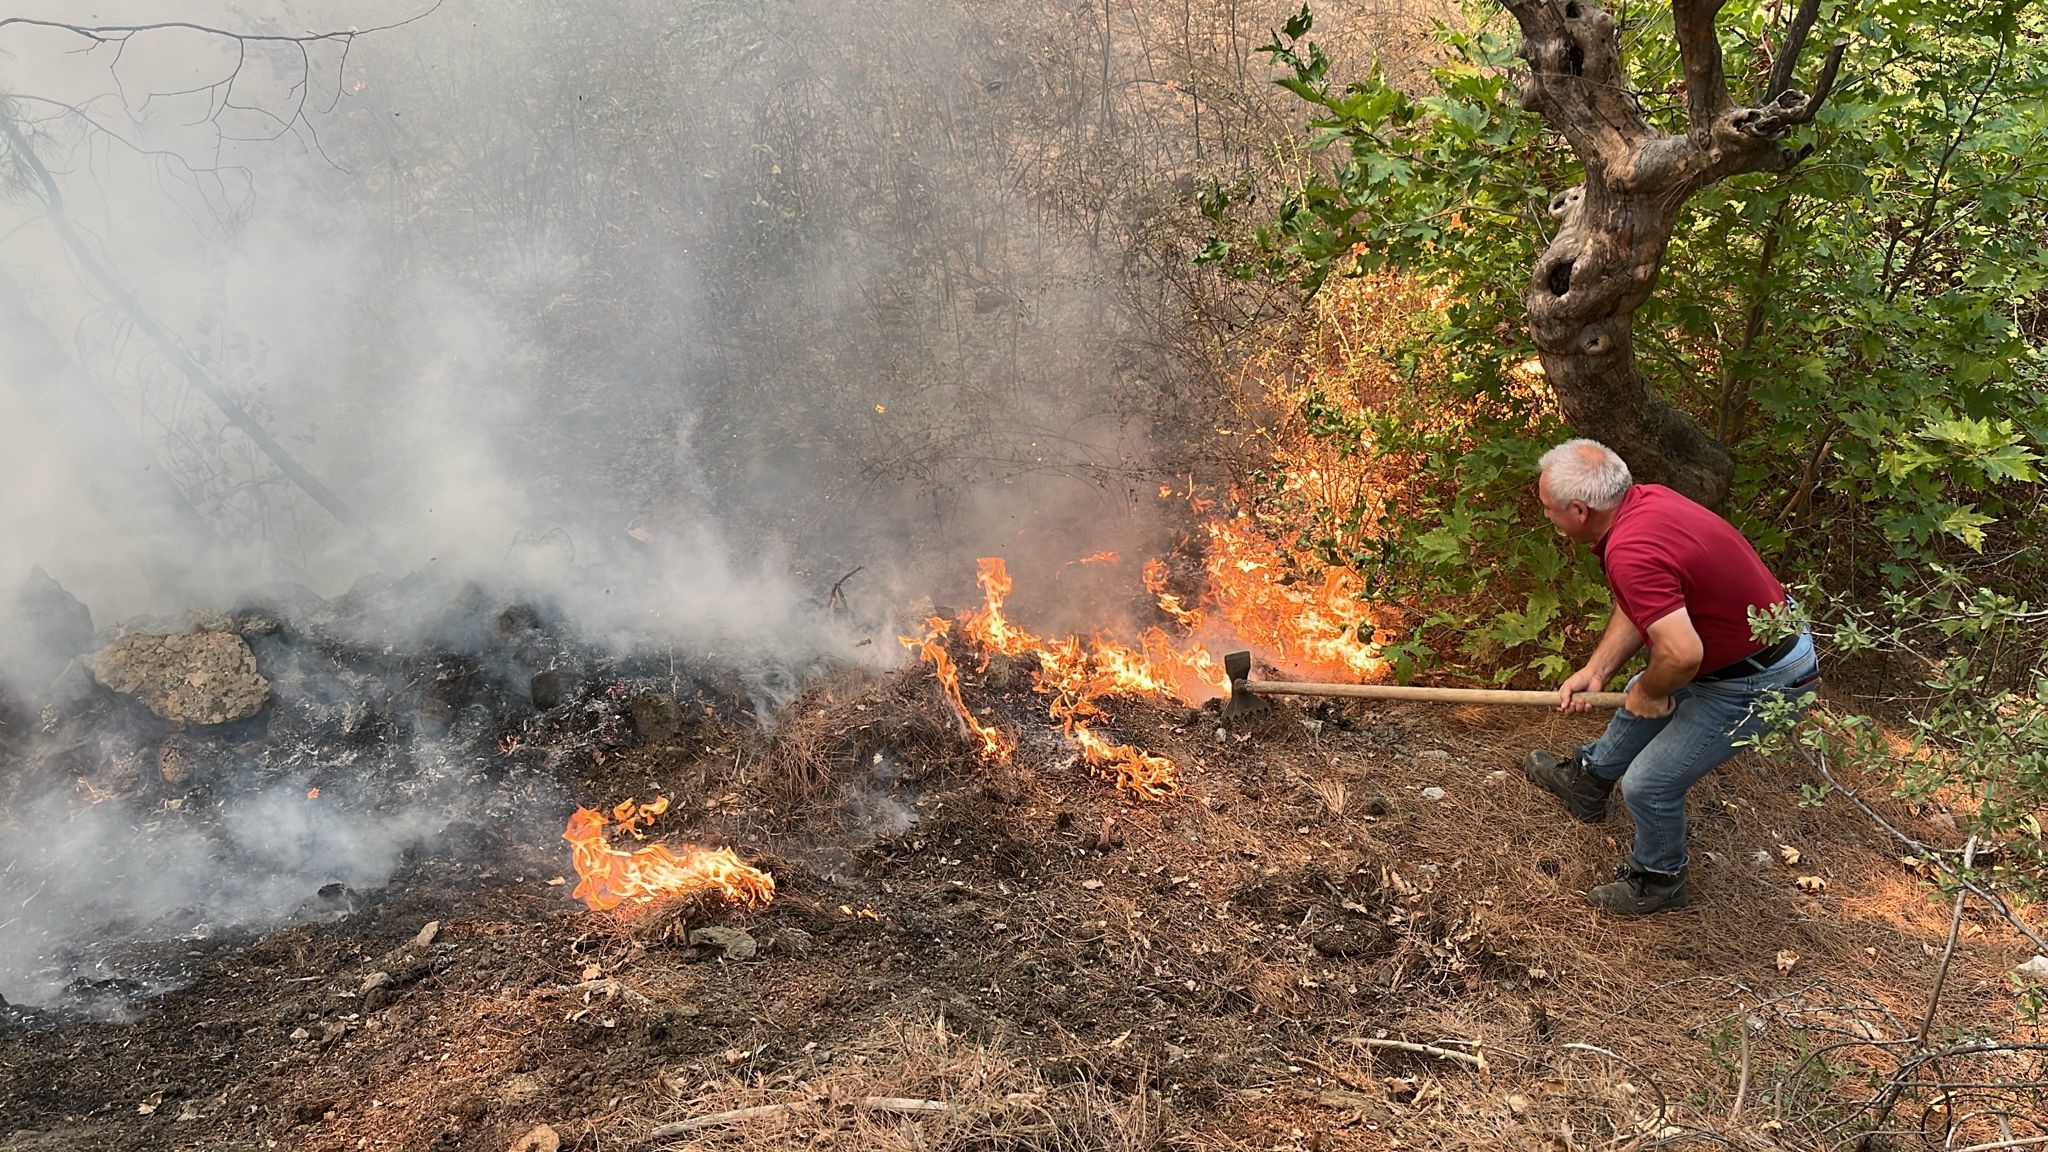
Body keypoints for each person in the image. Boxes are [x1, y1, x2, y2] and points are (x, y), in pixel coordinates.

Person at [1524, 439, 1819, 915]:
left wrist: (1651, 690)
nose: (1547, 518)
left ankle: (1659, 879)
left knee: (1648, 783)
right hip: (1745, 654)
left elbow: (1681, 655)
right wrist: (1597, 671)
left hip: (1763, 680)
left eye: (1548, 509)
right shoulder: (1646, 502)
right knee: (1642, 688)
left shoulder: (1631, 549)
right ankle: (1590, 780)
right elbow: (1643, 602)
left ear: (1579, 510)